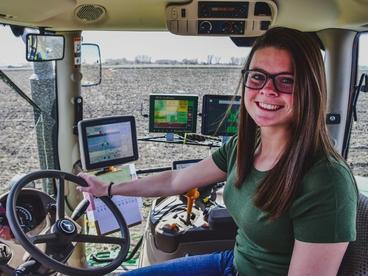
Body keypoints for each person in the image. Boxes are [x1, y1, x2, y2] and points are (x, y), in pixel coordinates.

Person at [78, 27, 358, 276]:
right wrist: (109, 189)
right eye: (258, 77)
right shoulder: (244, 146)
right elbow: (175, 181)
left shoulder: (326, 180)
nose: (267, 91)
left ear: (310, 88)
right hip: (231, 264)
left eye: (286, 81)